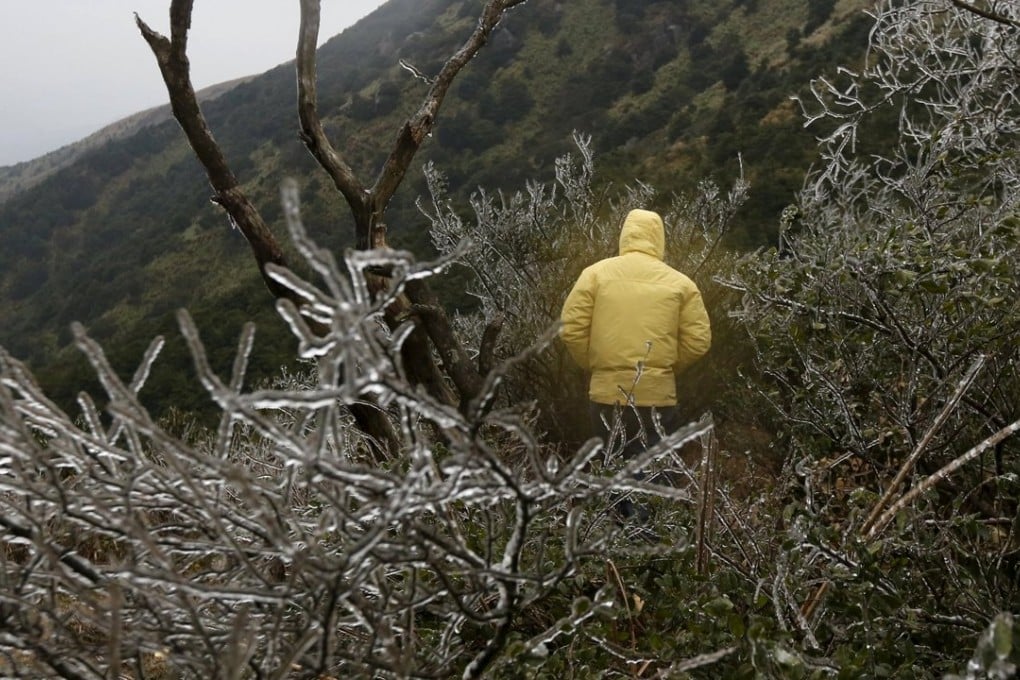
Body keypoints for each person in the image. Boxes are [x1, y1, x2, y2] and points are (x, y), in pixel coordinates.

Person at [560, 208, 711, 518]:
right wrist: (665, 370)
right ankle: (650, 551)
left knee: (613, 469)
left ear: (624, 236)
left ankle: (616, 546)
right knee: (656, 476)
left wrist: (595, 364)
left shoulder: (595, 274)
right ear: (659, 239)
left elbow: (570, 329)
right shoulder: (681, 283)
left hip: (606, 393)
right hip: (657, 396)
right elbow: (698, 341)